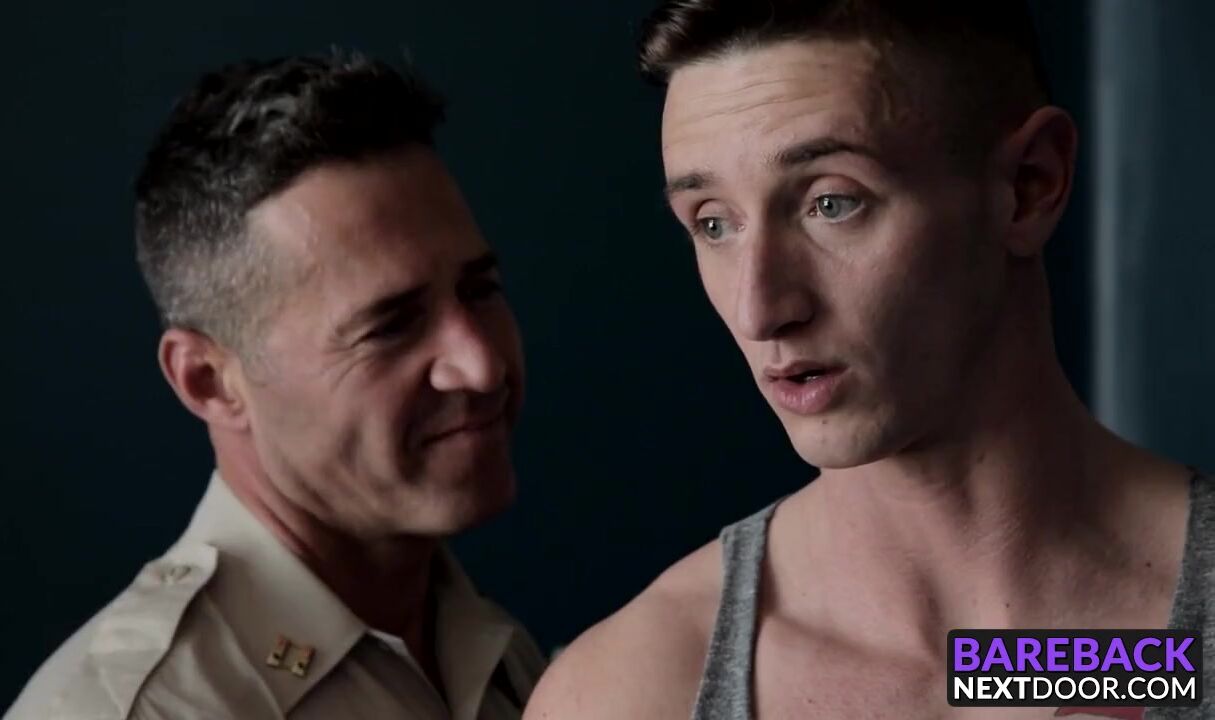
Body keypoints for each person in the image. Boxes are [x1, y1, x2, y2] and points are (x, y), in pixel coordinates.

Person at [524, 2, 1210, 718]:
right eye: (714, 223)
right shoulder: (627, 694)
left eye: (831, 203)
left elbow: (991, 668)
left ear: (1028, 186)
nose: (760, 310)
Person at [7, 51, 546, 720]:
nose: (481, 365)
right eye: (390, 326)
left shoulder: (492, 648)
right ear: (209, 382)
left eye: (480, 288)